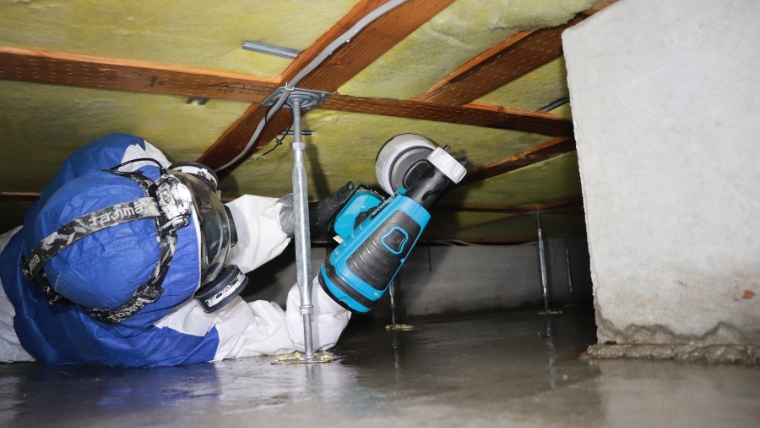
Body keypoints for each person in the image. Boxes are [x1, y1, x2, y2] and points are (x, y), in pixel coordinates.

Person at [0, 133, 356, 367]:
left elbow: (172, 226)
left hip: (8, 257)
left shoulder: (116, 156)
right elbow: (294, 334)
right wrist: (346, 282)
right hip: (14, 333)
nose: (222, 225)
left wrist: (286, 219)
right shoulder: (156, 341)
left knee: (176, 243)